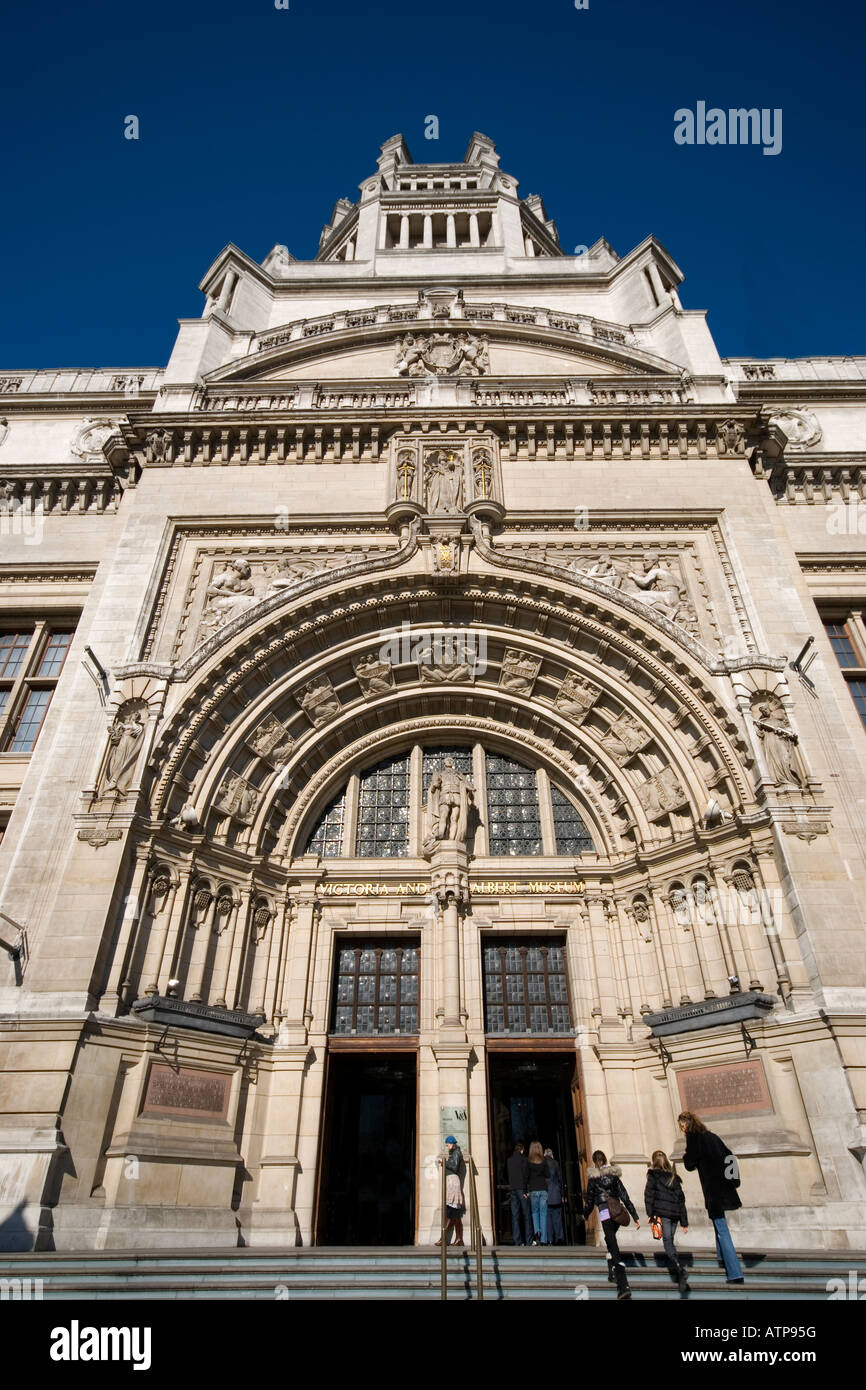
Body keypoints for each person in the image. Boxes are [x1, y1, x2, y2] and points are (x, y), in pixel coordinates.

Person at [678, 1111, 744, 1284]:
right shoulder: (712, 1136)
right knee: (718, 1223)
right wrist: (734, 1181)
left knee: (722, 1229)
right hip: (725, 1188)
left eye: (682, 1127)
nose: (682, 1131)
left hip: (713, 1190)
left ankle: (735, 1272)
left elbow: (689, 1164)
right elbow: (730, 1156)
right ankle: (722, 1260)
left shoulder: (694, 1138)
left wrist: (686, 1155)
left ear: (686, 1125)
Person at [582, 1149, 640, 1299]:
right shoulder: (614, 1176)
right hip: (617, 1211)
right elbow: (624, 1195)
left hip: (604, 1211)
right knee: (610, 1239)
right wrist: (635, 1215)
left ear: (594, 1161)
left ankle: (623, 1283)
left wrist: (585, 1214)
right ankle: (612, 1271)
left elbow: (589, 1200)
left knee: (611, 1242)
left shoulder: (593, 1179)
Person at [644, 1149, 690, 1292]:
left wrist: (650, 1214)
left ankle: (679, 1268)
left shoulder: (652, 1176)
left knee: (668, 1243)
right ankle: (679, 1272)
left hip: (663, 1213)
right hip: (675, 1214)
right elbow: (681, 1200)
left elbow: (648, 1196)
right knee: (670, 1241)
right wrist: (684, 1221)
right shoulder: (674, 1177)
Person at [436, 1136, 466, 1247]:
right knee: (454, 1213)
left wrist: (444, 1162)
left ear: (452, 1144)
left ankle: (443, 1239)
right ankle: (458, 1239)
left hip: (453, 1182)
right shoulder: (453, 1153)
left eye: (448, 1144)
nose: (447, 1146)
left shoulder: (456, 1153)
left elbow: (454, 1166)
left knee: (451, 1212)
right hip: (450, 1182)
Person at [507, 1141, 531, 1247]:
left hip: (513, 1189)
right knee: (526, 1215)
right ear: (521, 1150)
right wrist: (526, 1190)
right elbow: (526, 1175)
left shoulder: (509, 1160)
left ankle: (517, 1241)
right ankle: (528, 1240)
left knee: (515, 1216)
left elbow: (506, 1174)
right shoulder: (524, 1159)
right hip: (522, 1189)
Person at [527, 1140, 549, 1246]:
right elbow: (548, 1174)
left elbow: (526, 1176)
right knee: (543, 1214)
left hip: (534, 1189)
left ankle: (537, 1234)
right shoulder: (544, 1161)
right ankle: (544, 1239)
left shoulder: (529, 1161)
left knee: (535, 1213)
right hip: (543, 1189)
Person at [544, 1147, 566, 1245]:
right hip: (556, 1194)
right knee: (557, 1217)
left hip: (546, 1195)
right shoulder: (556, 1163)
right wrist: (563, 1194)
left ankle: (549, 1239)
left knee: (548, 1218)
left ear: (545, 1155)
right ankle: (559, 1238)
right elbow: (560, 1180)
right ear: (552, 1155)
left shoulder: (542, 1164)